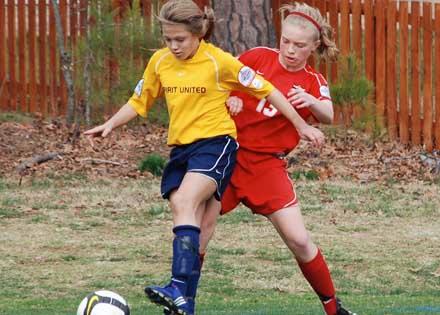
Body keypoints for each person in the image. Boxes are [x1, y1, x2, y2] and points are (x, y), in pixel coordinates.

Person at [84, 1, 324, 315]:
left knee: (185, 201)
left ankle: (178, 287)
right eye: (167, 39)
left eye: (180, 40)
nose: (173, 46)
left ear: (198, 34)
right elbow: (139, 101)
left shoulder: (218, 61)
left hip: (217, 144)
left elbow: (268, 91)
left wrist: (301, 123)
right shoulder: (160, 62)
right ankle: (184, 302)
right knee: (194, 220)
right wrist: (111, 124)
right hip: (181, 150)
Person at [176, 3, 357, 315]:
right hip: (229, 155)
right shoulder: (258, 57)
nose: (289, 50)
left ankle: (333, 309)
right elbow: (224, 82)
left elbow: (327, 114)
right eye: (285, 41)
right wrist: (231, 98)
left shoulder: (314, 81)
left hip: (267, 166)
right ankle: (182, 305)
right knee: (201, 228)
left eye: (299, 45)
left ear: (314, 46)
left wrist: (312, 101)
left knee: (299, 240)